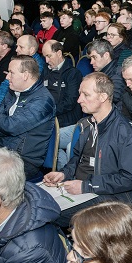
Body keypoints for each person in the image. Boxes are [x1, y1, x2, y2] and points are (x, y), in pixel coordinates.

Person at [43, 73, 132, 228]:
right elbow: (76, 159)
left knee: (46, 213)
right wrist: (63, 174)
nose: (79, 100)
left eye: (85, 95)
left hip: (111, 199)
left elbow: (129, 179)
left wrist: (86, 186)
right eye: (80, 94)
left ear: (102, 97)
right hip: (83, 189)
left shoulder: (125, 132)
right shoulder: (87, 124)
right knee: (34, 200)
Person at [0, 55, 56, 179]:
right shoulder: (14, 91)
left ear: (25, 75)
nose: (7, 77)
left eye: (11, 73)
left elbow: (9, 127)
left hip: (23, 161)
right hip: (4, 152)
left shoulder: (42, 101)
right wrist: (3, 124)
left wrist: (2, 123)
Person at [42, 40, 83, 169]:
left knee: (48, 140)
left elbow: (70, 103)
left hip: (68, 121)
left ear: (59, 53)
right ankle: (64, 172)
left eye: (49, 56)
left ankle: (64, 173)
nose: (47, 60)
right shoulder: (44, 71)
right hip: (49, 120)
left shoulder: (72, 73)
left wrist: (47, 111)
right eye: (45, 57)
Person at [86, 38, 126, 108]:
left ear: (106, 55)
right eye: (90, 58)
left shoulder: (117, 74)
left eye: (94, 57)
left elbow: (113, 98)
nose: (91, 62)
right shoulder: (101, 73)